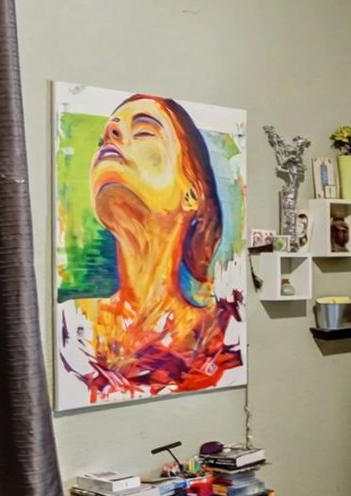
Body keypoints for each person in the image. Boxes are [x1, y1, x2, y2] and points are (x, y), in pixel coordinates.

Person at [63, 94, 242, 401]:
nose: (112, 136)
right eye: (105, 136)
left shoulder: (229, 333)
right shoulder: (70, 331)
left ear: (192, 194)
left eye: (144, 131)